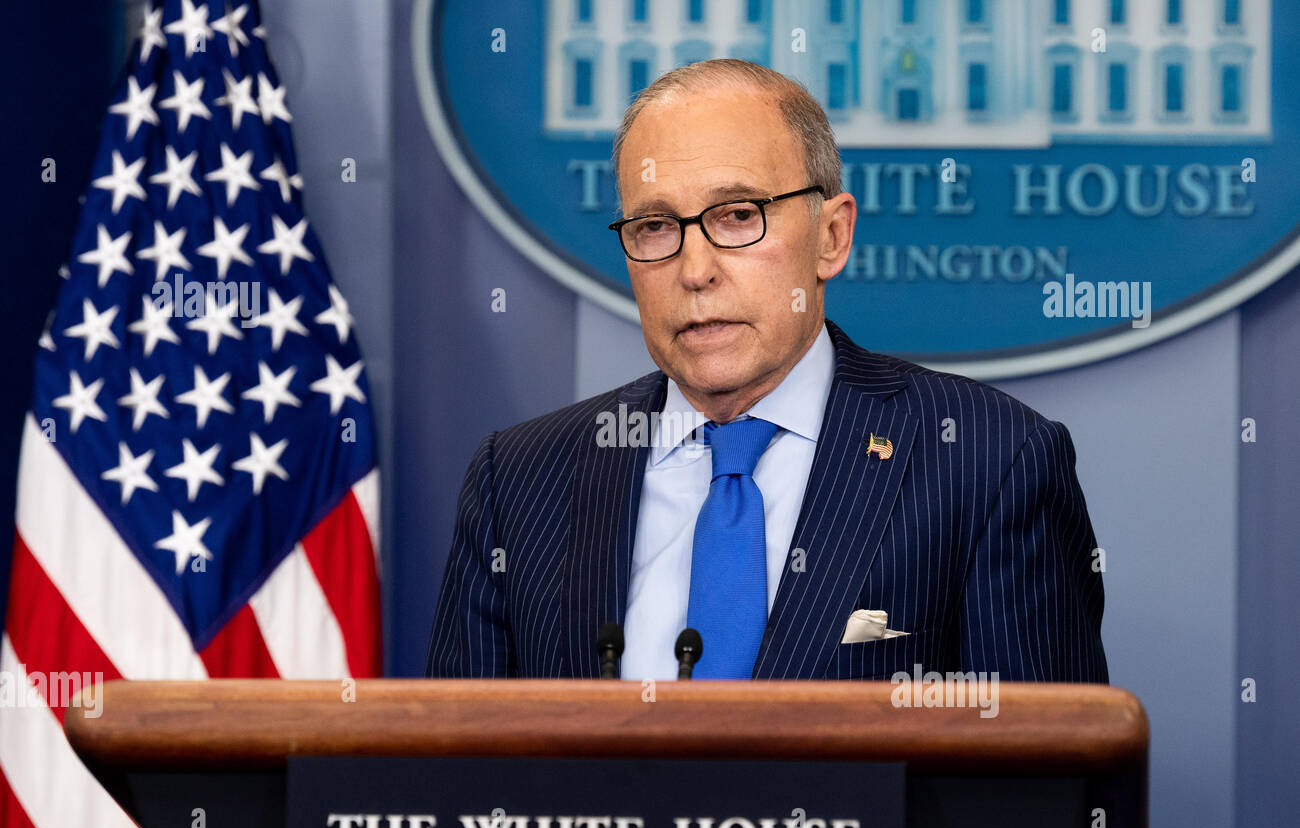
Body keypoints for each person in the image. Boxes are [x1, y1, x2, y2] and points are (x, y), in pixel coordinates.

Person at [427, 59, 1107, 683]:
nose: (695, 271)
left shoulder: (989, 461)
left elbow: (1044, 792)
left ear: (831, 237)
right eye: (657, 227)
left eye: (738, 216)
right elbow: (454, 783)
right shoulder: (517, 481)